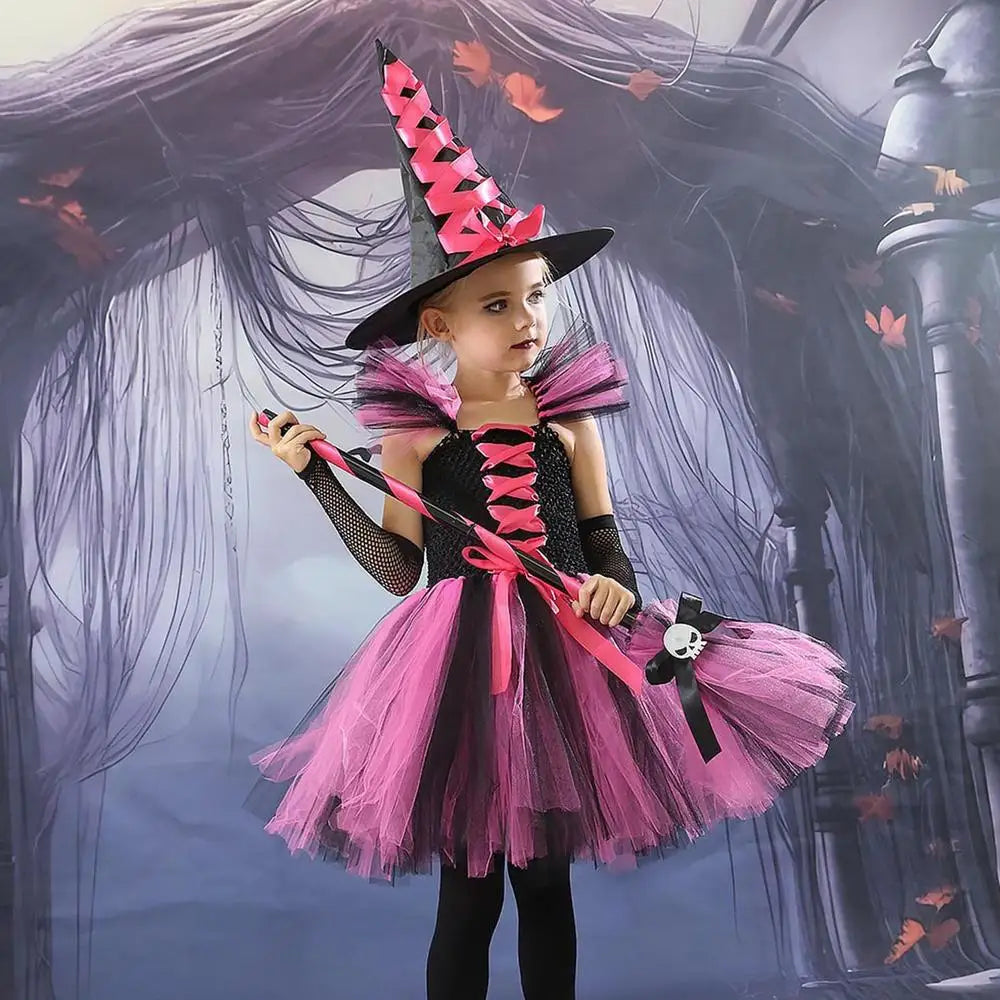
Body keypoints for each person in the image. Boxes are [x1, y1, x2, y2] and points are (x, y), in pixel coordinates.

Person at [246, 40, 852, 1000]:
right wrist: (319, 478)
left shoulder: (569, 422)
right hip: (456, 666)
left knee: (545, 888)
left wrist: (615, 587)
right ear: (439, 325)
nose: (527, 320)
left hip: (568, 659)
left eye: (535, 297)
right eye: (497, 304)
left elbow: (603, 541)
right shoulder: (416, 435)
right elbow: (401, 571)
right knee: (469, 895)